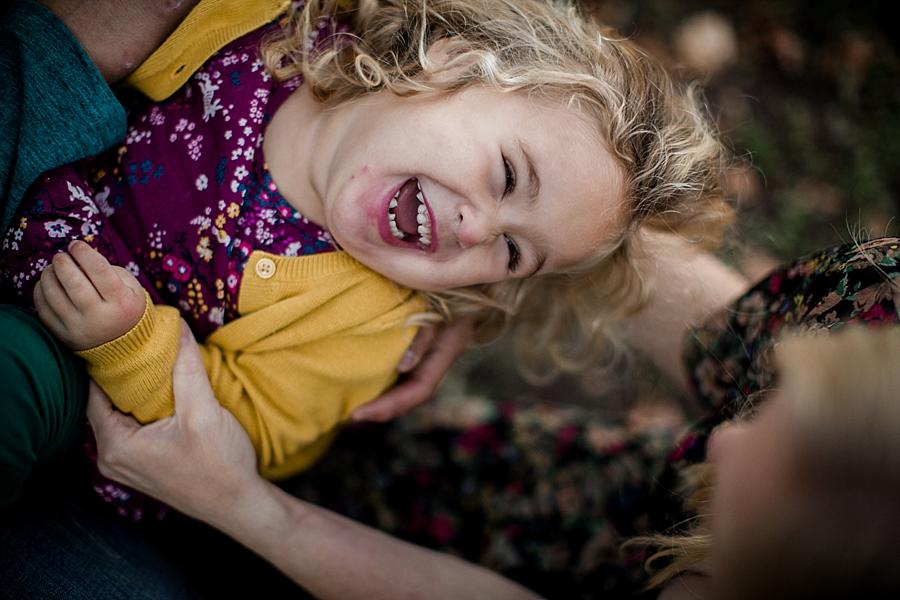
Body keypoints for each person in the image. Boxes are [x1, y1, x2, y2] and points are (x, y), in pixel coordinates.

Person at [0, 0, 731, 503]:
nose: (478, 230)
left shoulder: (368, 322)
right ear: (451, 62)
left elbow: (255, 431)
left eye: (513, 252)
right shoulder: (280, 32)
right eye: (507, 175)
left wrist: (131, 346)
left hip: (71, 350)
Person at [78, 237, 900, 599]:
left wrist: (248, 509)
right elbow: (723, 335)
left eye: (740, 489)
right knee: (371, 461)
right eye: (772, 408)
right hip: (578, 500)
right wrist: (502, 260)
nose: (720, 432)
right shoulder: (878, 312)